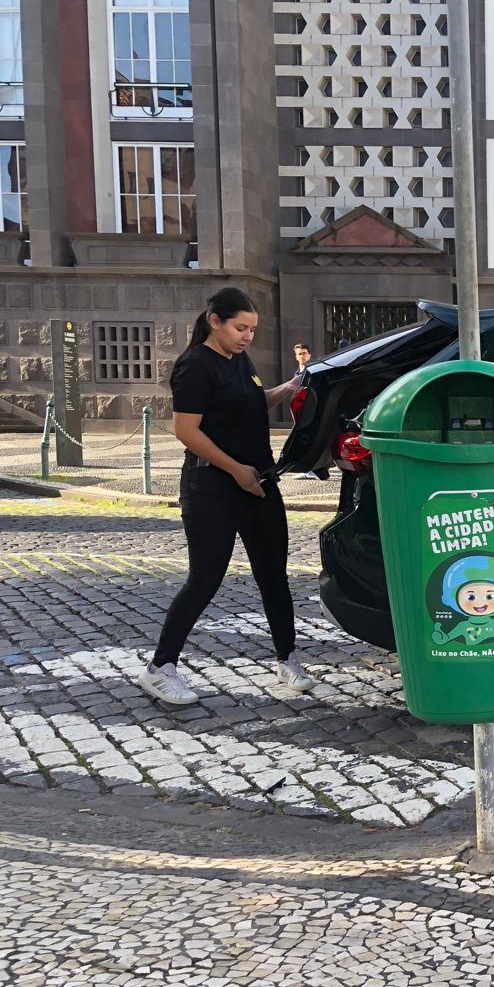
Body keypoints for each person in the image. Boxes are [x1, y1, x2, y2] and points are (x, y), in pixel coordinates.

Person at [137, 287, 313, 706]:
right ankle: (160, 668)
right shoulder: (195, 365)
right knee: (205, 578)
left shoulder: (240, 360)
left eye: (252, 329)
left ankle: (287, 659)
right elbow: (187, 431)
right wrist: (235, 470)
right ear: (215, 321)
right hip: (212, 487)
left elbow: (249, 403)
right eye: (240, 327)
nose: (247, 336)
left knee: (273, 575)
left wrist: (288, 388)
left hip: (258, 482)